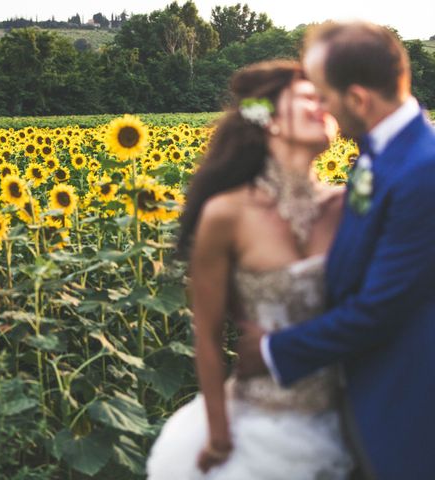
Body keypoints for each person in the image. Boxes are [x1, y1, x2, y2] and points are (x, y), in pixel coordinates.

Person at [235, 22, 435, 480]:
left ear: (359, 100)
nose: (319, 107)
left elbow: (380, 309)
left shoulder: (424, 171)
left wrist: (271, 350)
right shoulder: (377, 152)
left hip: (401, 398)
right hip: (352, 385)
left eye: (323, 95)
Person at [145, 59, 354, 479]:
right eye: (308, 98)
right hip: (262, 429)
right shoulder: (228, 214)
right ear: (271, 121)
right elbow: (207, 334)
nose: (323, 106)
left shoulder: (351, 205)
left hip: (352, 418)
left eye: (324, 99)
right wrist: (219, 434)